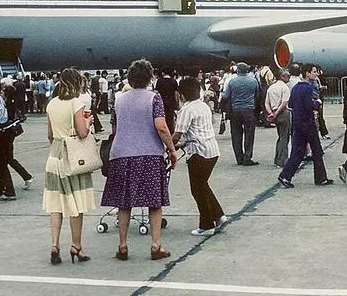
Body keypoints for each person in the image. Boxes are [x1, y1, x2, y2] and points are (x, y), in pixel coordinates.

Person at [101, 59, 178, 261]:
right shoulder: (154, 98)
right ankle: (155, 245)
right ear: (149, 77)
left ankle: (123, 245)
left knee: (124, 203)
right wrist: (171, 150)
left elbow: (115, 128)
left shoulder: (119, 100)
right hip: (148, 154)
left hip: (121, 154)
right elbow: (161, 126)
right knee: (154, 202)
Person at [44, 68, 96, 265]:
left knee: (55, 203)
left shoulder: (51, 104)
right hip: (72, 157)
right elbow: (82, 133)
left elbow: (50, 135)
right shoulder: (76, 103)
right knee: (76, 203)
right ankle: (76, 246)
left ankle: (55, 244)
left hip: (54, 155)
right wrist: (88, 122)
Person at [173, 77, 227, 236]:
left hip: (198, 152)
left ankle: (207, 225)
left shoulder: (186, 110)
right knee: (203, 185)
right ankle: (218, 215)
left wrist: (167, 146)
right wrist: (183, 144)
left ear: (182, 94)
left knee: (197, 189)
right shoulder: (203, 106)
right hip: (212, 150)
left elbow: (177, 134)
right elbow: (199, 131)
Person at [278, 63, 333, 188]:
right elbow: (309, 106)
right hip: (307, 122)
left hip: (297, 122)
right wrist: (317, 103)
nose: (316, 74)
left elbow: (291, 104)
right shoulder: (308, 88)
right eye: (314, 72)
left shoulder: (296, 88)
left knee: (298, 151)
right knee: (317, 150)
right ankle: (321, 178)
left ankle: (285, 175)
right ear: (307, 73)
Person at [222, 62, 259, 166]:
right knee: (249, 134)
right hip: (249, 110)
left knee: (236, 134)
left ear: (237, 70)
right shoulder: (253, 81)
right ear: (247, 71)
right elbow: (257, 95)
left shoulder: (232, 82)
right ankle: (247, 157)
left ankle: (239, 158)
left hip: (235, 110)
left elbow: (226, 96)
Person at [265, 69, 292, 168]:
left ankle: (277, 158)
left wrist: (270, 113)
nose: (289, 78)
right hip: (282, 113)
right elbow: (284, 103)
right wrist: (276, 114)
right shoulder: (285, 88)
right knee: (284, 137)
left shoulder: (271, 87)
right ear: (282, 77)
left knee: (280, 136)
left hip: (274, 111)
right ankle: (282, 160)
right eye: (287, 76)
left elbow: (266, 103)